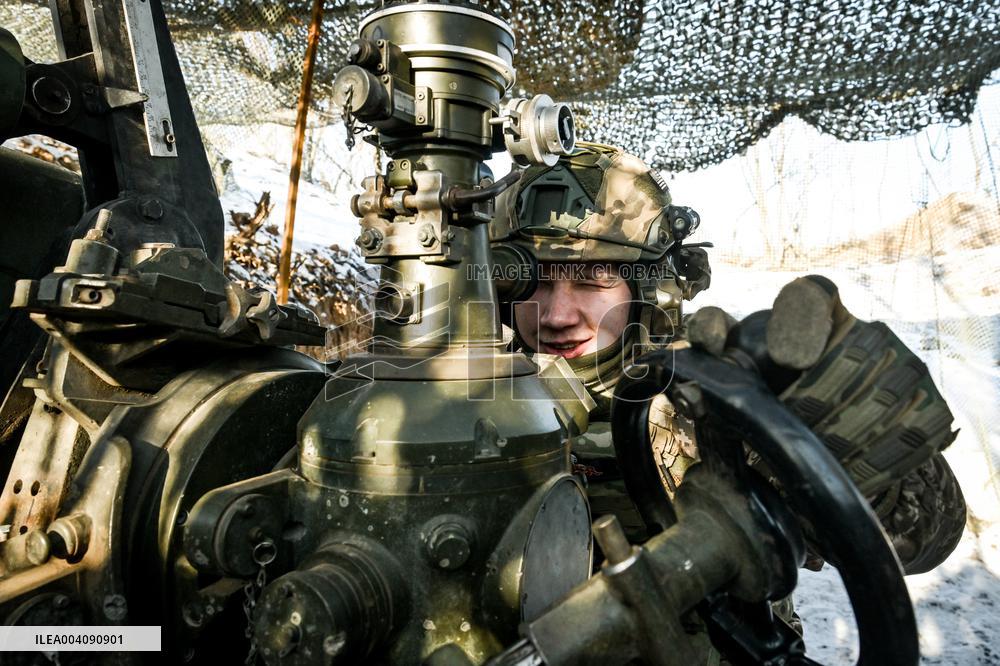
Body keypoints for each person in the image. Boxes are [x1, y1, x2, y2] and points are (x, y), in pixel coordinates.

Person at [490, 141, 967, 578]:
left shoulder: (700, 392)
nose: (554, 315)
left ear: (648, 290)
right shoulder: (464, 383)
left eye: (591, 280)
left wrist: (846, 445)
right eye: (532, 282)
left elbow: (917, 540)